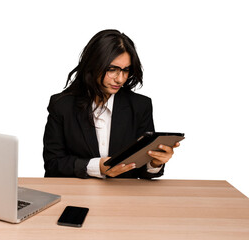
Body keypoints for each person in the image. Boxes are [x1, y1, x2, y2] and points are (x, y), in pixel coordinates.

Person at [43, 29, 180, 179]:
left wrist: (154, 163)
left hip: (124, 197)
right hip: (78, 193)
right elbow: (53, 164)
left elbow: (143, 171)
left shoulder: (140, 105)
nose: (120, 79)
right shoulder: (62, 105)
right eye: (112, 69)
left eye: (126, 70)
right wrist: (97, 167)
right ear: (93, 65)